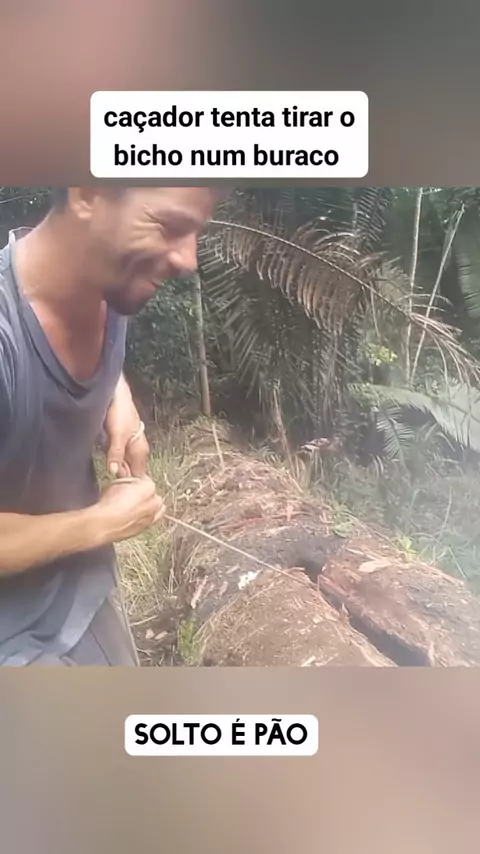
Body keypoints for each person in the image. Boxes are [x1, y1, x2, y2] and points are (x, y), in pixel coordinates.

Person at [0, 186, 221, 666]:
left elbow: (67, 341)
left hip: (85, 593)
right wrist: (100, 523)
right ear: (87, 193)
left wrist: (119, 399)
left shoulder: (109, 279)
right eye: (169, 226)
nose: (188, 259)